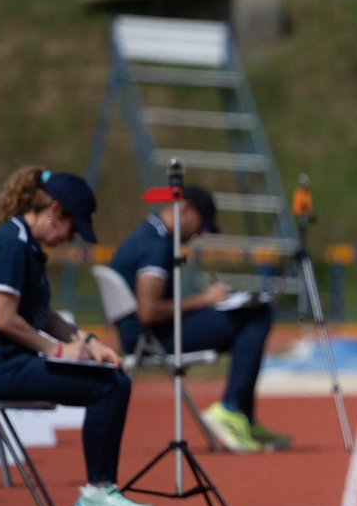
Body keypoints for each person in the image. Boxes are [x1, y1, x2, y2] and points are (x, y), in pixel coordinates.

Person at [0, 167, 147, 506]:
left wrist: (89, 344)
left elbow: (42, 315)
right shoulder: (11, 244)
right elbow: (4, 319)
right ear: (55, 211)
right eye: (74, 228)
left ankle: (102, 489)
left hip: (8, 360)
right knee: (108, 386)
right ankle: (97, 492)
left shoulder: (26, 245)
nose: (73, 237)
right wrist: (58, 351)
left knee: (114, 379)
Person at [108, 185, 291, 453]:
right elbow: (148, 313)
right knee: (258, 314)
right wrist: (204, 300)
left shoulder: (148, 234)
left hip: (148, 335)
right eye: (202, 225)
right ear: (185, 208)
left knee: (250, 318)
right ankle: (232, 411)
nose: (200, 234)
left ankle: (240, 416)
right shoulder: (157, 245)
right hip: (151, 340)